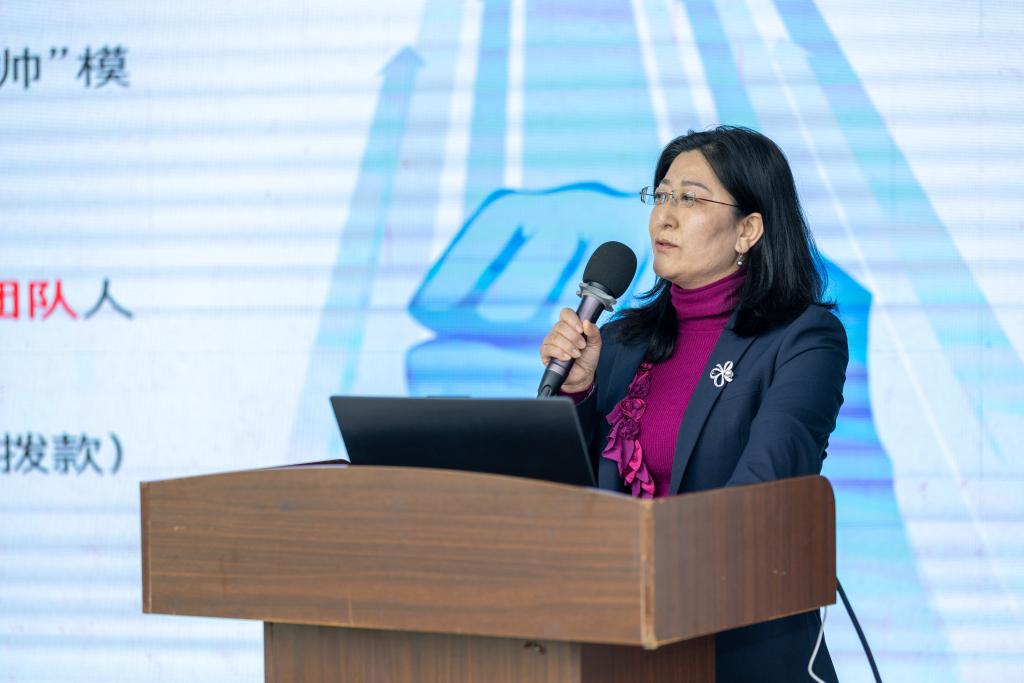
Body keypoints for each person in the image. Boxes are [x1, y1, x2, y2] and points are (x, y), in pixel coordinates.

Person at [539, 126, 846, 682]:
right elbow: (573, 497)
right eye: (661, 195)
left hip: (738, 649)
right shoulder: (622, 341)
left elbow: (765, 488)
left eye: (690, 199)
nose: (665, 217)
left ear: (748, 230)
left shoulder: (802, 340)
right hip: (619, 644)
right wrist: (578, 392)